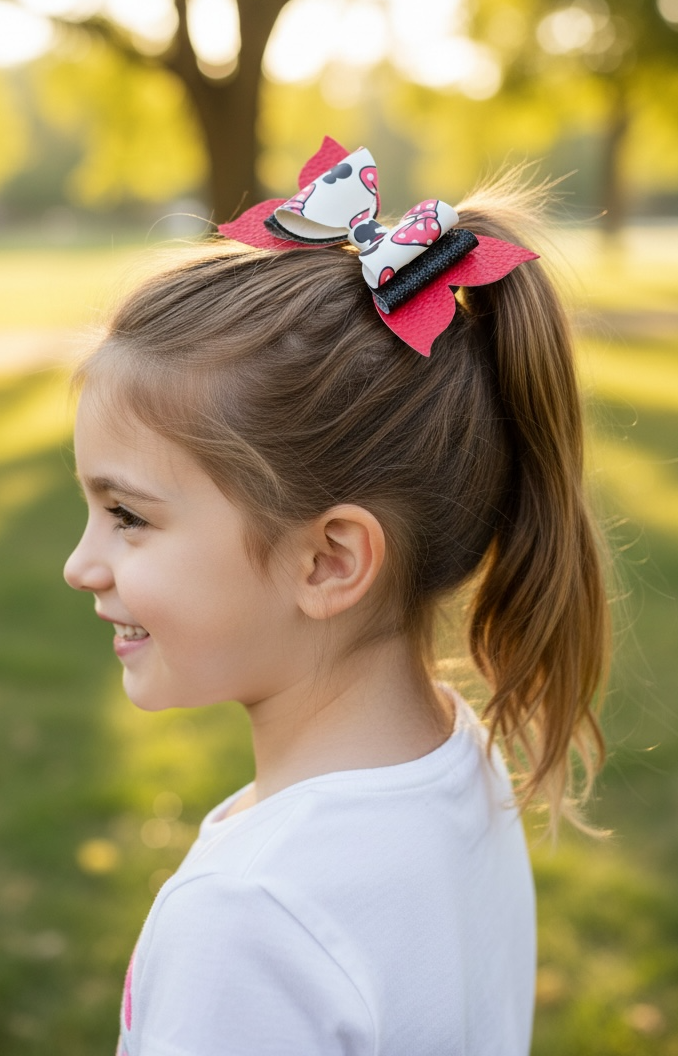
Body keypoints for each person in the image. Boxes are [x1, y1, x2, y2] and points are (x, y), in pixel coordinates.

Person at [63, 140, 610, 1056]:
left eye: (127, 515)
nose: (82, 565)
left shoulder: (248, 923)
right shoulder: (453, 762)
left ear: (329, 562)